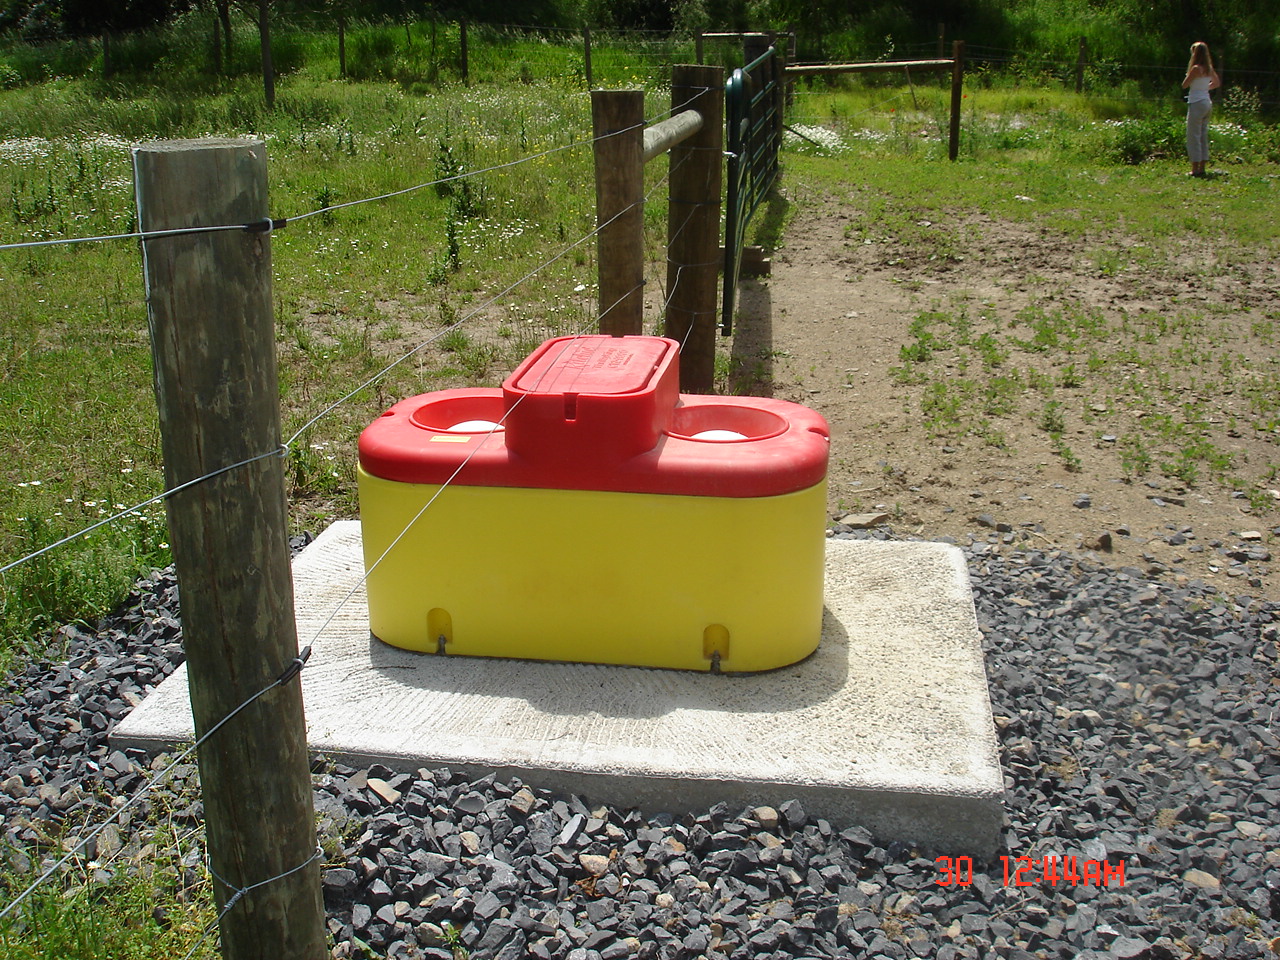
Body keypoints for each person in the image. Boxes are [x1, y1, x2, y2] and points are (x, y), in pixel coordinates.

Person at [1181, 41, 1221, 178]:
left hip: (1196, 102)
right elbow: (1216, 83)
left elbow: (1185, 85)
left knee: (1193, 135)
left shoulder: (1196, 69)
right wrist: (1205, 88)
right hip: (1206, 101)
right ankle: (1202, 166)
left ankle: (1195, 168)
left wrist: (1194, 83)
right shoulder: (1209, 68)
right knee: (1203, 135)